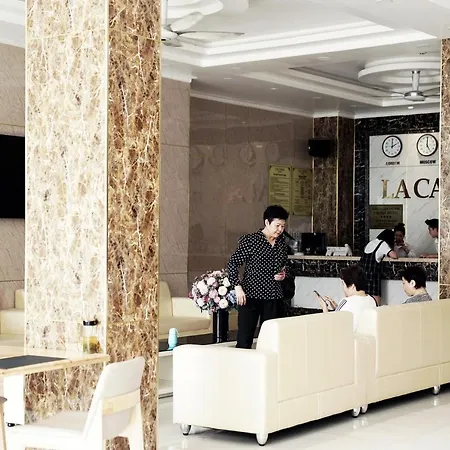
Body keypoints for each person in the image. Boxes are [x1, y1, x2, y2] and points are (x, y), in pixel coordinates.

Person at [227, 205, 289, 349]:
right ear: (267, 222)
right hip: (250, 296)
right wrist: (237, 287)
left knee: (271, 340)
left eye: (283, 226)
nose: (280, 229)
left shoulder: (282, 243)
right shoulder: (251, 241)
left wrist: (283, 274)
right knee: (244, 339)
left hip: (273, 297)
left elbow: (285, 265)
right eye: (277, 225)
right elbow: (232, 264)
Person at [315, 265, 377, 332]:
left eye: (343, 284)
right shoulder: (372, 300)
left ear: (353, 286)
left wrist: (325, 309)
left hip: (349, 338)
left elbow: (331, 329)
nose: (343, 288)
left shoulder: (346, 301)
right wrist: (338, 308)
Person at [359, 229, 398, 306]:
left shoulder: (371, 242)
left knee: (364, 303)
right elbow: (394, 255)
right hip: (373, 277)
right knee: (375, 305)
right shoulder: (382, 244)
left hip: (363, 276)